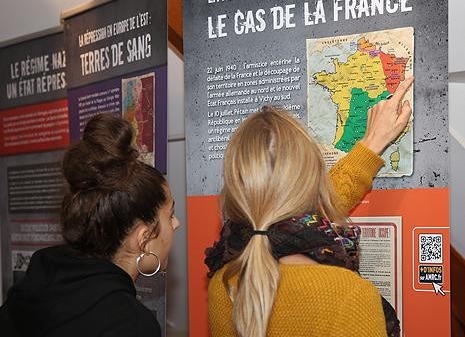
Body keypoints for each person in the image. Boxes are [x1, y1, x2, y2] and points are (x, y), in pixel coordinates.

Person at [206, 77, 414, 337]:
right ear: (315, 183)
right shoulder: (350, 297)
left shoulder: (223, 286)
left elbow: (287, 220)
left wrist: (370, 145)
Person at [0, 113, 180, 337]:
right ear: (144, 238)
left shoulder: (36, 283)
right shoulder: (131, 325)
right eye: (170, 215)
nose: (177, 224)